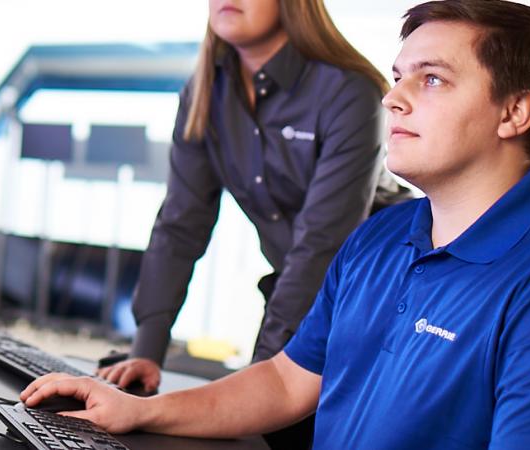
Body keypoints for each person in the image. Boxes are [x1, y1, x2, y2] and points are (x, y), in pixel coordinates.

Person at [26, 1, 530, 448]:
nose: (393, 97)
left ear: (515, 111)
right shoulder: (378, 241)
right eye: (401, 75)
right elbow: (283, 381)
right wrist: (142, 410)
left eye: (431, 79)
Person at [102, 0, 388, 406]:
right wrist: (146, 350)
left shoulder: (349, 91)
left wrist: (262, 378)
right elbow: (181, 224)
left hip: (377, 303)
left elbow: (321, 245)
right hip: (298, 298)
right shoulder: (204, 91)